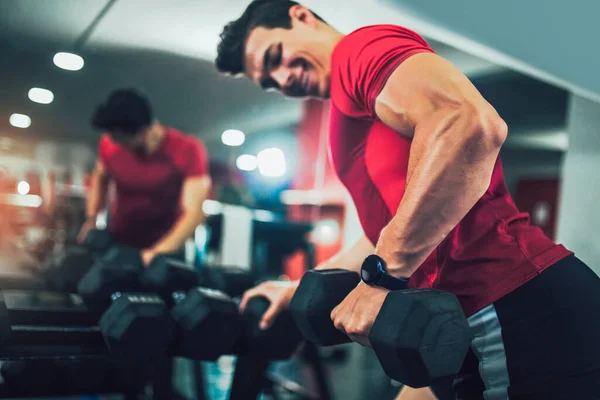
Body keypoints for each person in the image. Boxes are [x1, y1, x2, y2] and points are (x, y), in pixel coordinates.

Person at [215, 1, 600, 399]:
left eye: (277, 57)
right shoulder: (346, 113)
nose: (283, 79)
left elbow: (468, 125)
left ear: (301, 16)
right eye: (270, 81)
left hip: (516, 304)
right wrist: (296, 287)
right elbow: (386, 232)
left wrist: (382, 278)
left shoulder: (361, 51)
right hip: (450, 322)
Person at [78, 88, 211, 265]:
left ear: (143, 132)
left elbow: (194, 213)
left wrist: (155, 253)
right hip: (119, 242)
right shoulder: (109, 144)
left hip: (166, 248)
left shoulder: (189, 149)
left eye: (119, 138)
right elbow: (100, 177)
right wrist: (92, 218)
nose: (114, 142)